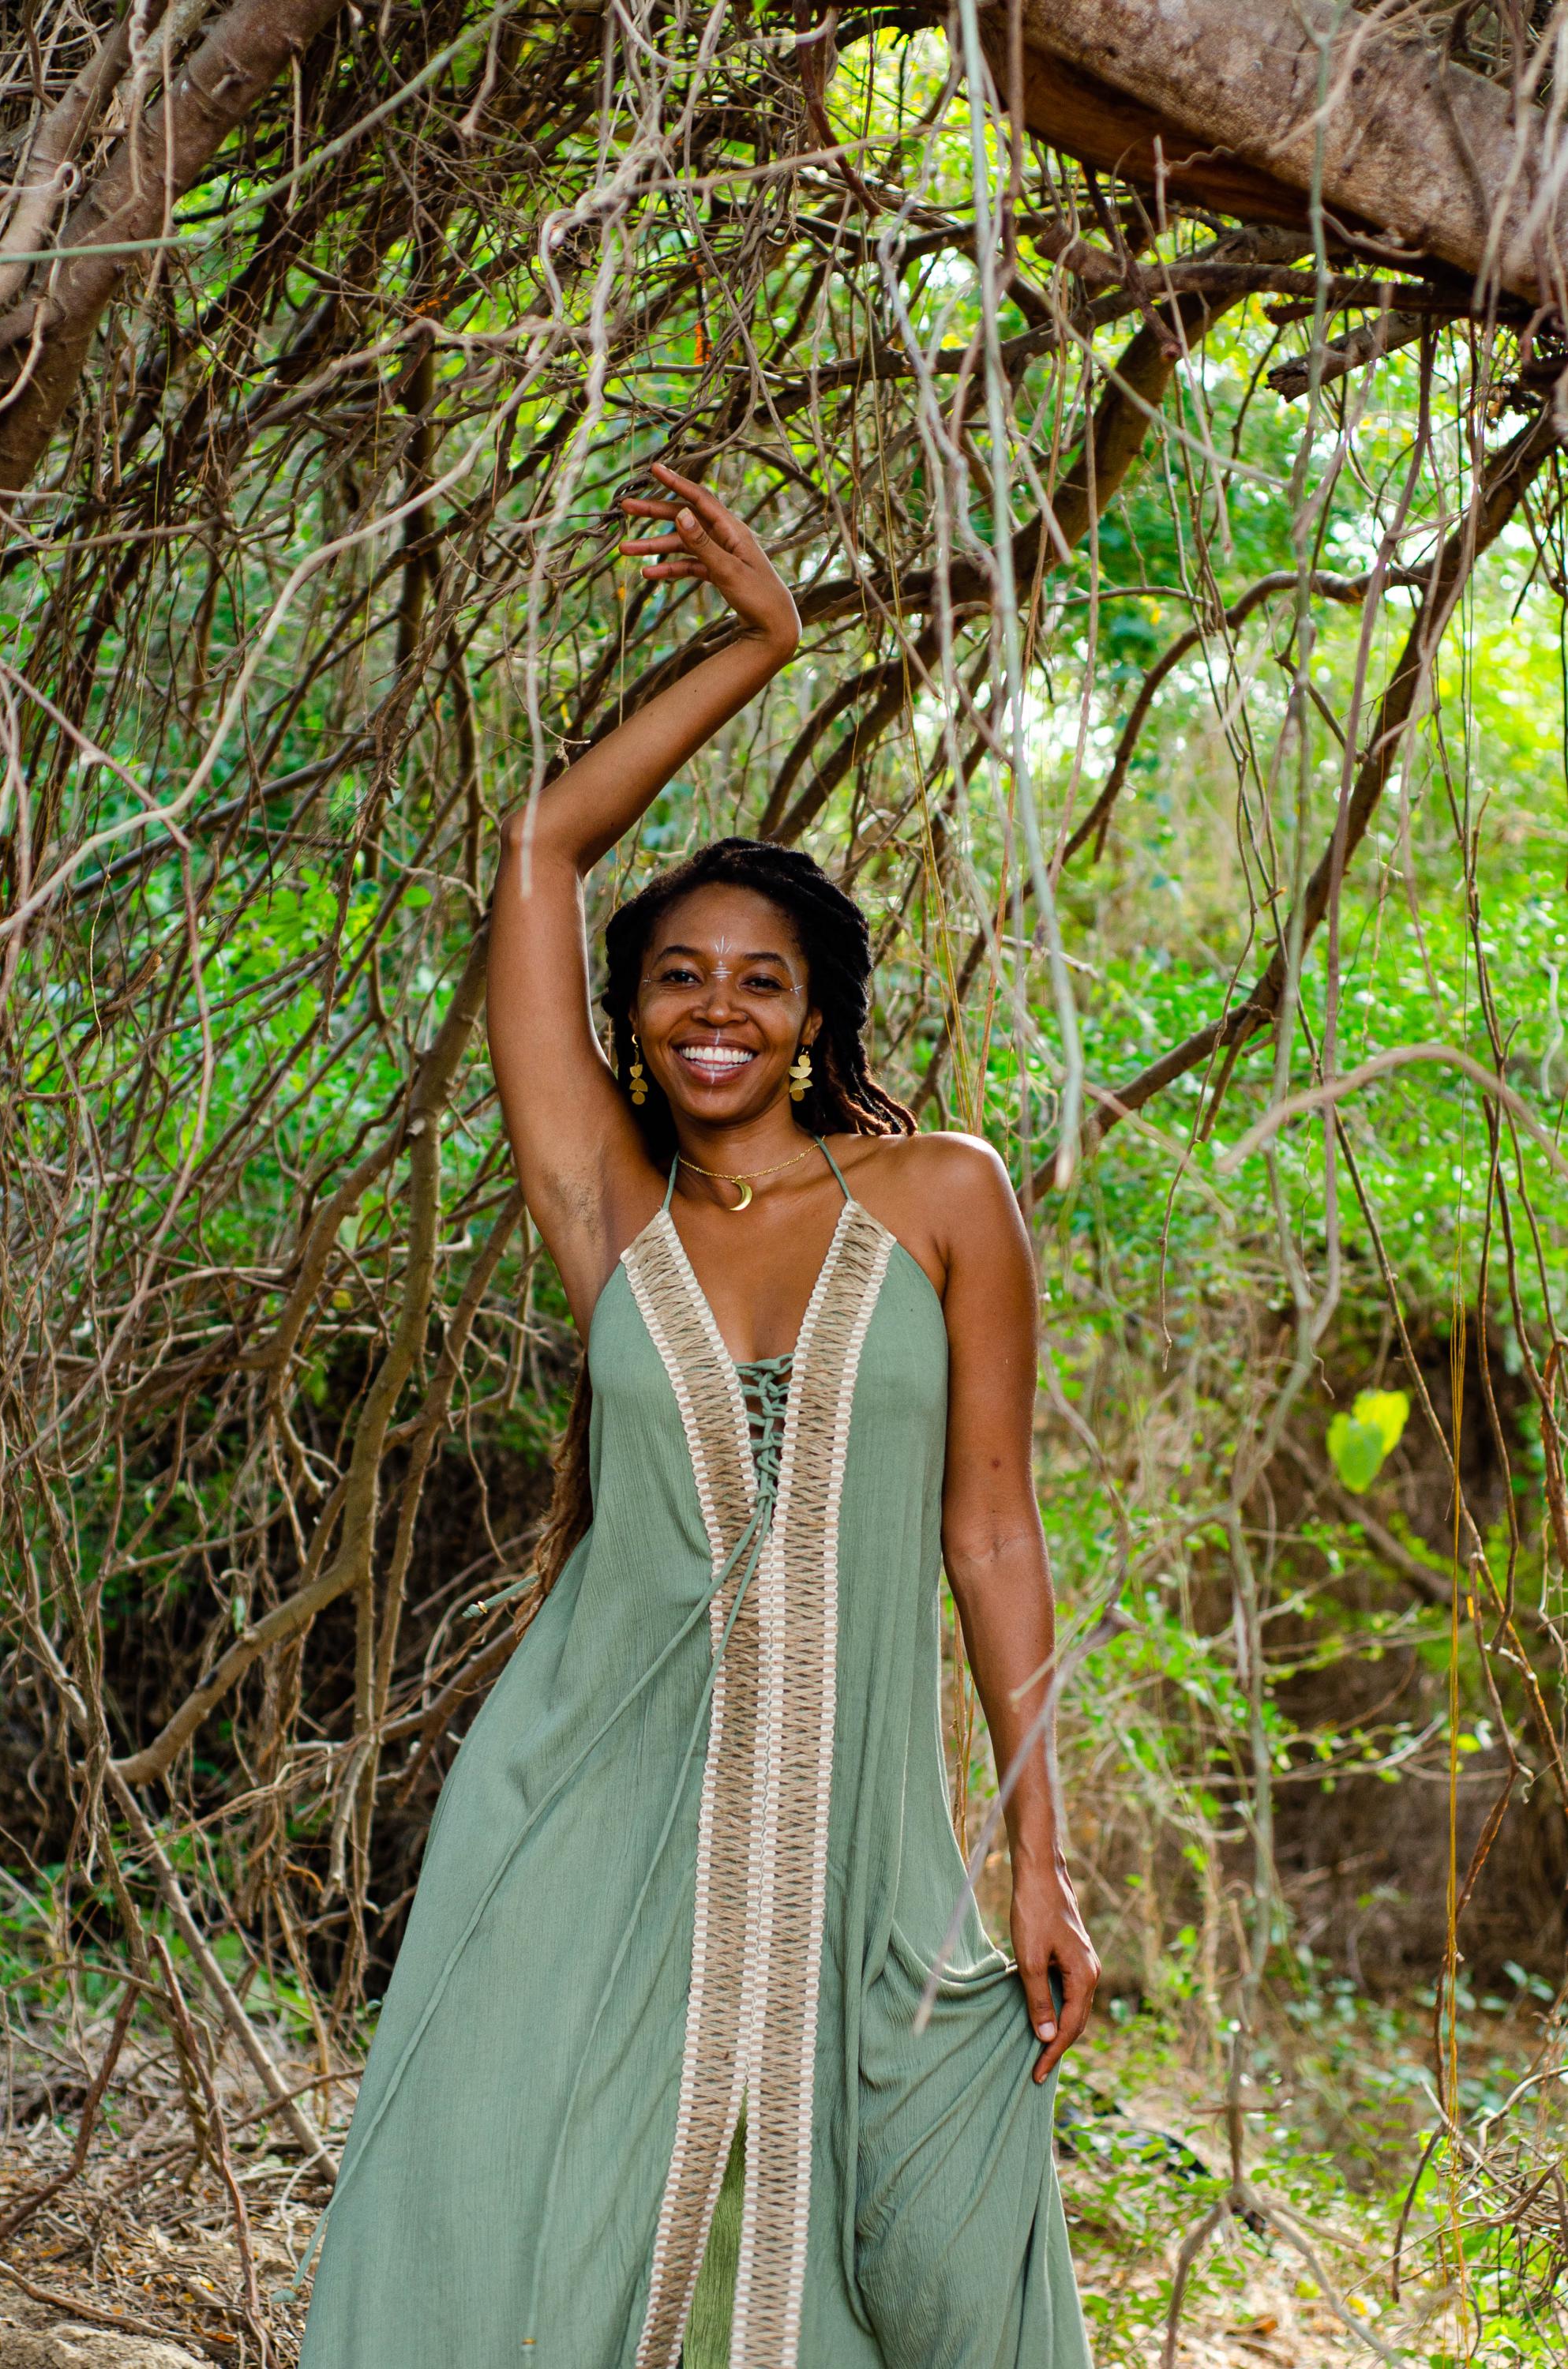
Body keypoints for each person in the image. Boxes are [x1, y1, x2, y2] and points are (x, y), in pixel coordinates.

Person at [298, 464, 1098, 2368]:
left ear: (815, 1015)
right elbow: (537, 855)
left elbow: (988, 1529)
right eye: (677, 982)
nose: (715, 1013)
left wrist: (1037, 1849)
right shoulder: (609, 1211)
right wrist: (761, 646)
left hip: (863, 1830)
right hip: (579, 1800)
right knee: (542, 2199)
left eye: (761, 983)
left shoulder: (940, 1198)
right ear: (633, 1016)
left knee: (924, 2236)